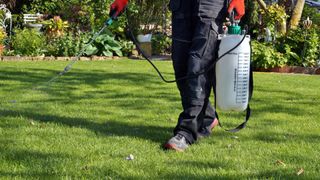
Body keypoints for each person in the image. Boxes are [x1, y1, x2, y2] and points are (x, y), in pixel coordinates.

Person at [109, 0, 245, 151]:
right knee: (181, 66)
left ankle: (186, 132)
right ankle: (207, 117)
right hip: (181, 5)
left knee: (197, 66)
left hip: (210, 6)